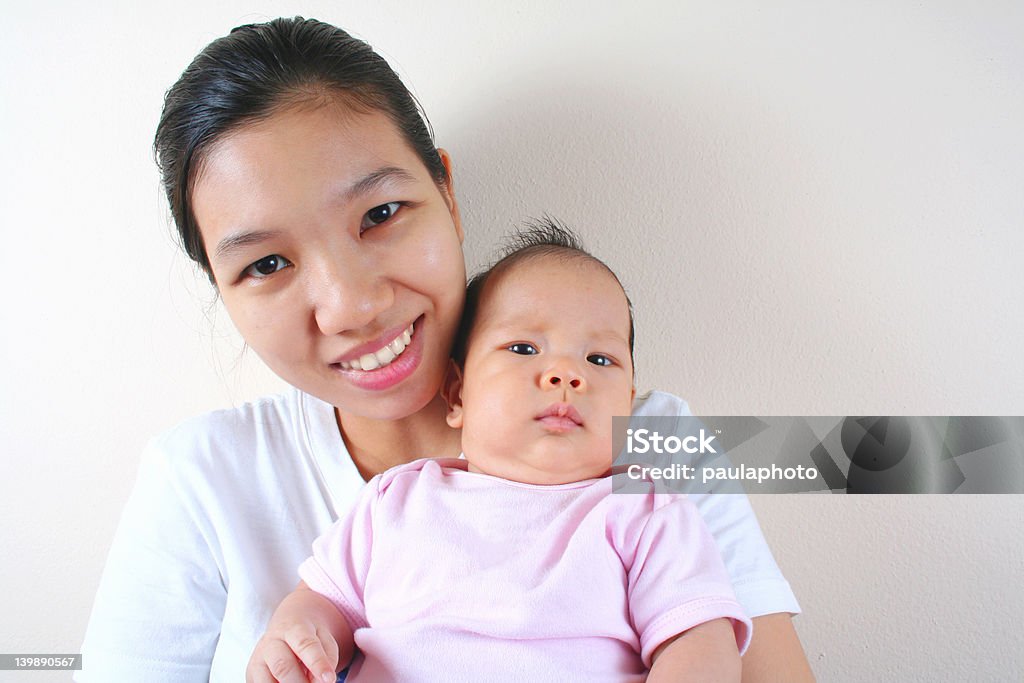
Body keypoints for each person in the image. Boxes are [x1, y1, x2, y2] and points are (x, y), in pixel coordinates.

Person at [77, 16, 813, 683]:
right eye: (267, 264)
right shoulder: (198, 479)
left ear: (448, 195)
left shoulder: (656, 447)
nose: (352, 305)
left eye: (381, 213)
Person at [248, 224, 752, 682]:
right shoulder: (395, 501)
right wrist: (295, 636)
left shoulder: (644, 513)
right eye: (525, 349)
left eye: (599, 359)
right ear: (458, 394)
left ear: (628, 406)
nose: (566, 375)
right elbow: (324, 601)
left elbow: (700, 640)